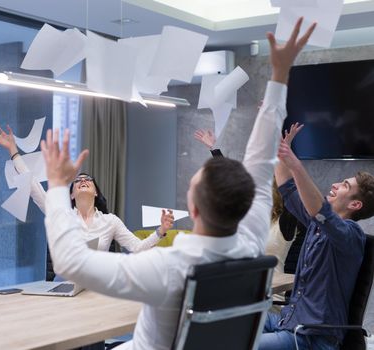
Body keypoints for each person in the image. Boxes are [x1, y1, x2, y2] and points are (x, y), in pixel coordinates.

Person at [39, 18, 316, 350]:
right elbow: (261, 160)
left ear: (194, 208)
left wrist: (57, 185)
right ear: (246, 207)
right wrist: (279, 76)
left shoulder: (168, 267)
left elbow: (71, 263)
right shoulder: (252, 237)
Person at [259, 129, 374, 348]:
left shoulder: (350, 236)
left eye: (344, 186)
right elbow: (287, 187)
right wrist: (274, 131)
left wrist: (295, 163)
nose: (335, 185)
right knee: (231, 323)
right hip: (287, 322)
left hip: (312, 339)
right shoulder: (316, 224)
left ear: (355, 205)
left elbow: (320, 211)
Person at [0, 125, 174, 253]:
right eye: (78, 180)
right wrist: (13, 151)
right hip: (66, 284)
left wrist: (161, 230)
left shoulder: (111, 221)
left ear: (96, 192)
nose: (83, 181)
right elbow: (32, 185)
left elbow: (137, 248)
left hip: (96, 286)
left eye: (88, 180)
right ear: (72, 194)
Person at [194, 123, 307, 275]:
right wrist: (214, 149)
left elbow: (289, 189)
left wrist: (283, 150)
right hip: (243, 287)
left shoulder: (284, 223)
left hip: (272, 294)